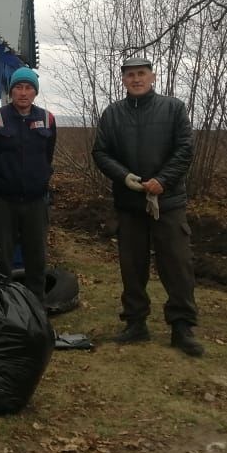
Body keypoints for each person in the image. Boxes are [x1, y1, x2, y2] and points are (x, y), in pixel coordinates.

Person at [91, 56, 204, 357]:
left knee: (177, 265)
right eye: (130, 75)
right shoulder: (112, 114)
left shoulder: (173, 108)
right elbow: (101, 152)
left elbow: (185, 148)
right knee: (132, 266)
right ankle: (135, 323)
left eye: (141, 74)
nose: (136, 79)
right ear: (124, 80)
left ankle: (182, 327)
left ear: (153, 77)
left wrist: (162, 180)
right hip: (129, 204)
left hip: (167, 202)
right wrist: (124, 176)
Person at [0, 66, 56, 301]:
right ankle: (4, 311)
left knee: (36, 259)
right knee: (2, 260)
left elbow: (47, 157)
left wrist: (40, 182)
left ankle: (35, 311)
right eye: (18, 87)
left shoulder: (47, 119)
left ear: (35, 92)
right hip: (3, 202)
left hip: (35, 202)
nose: (23, 92)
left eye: (28, 87)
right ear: (11, 91)